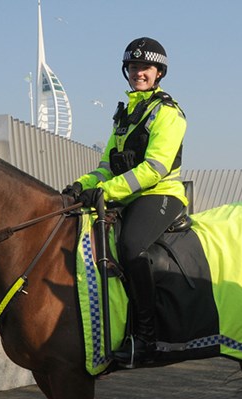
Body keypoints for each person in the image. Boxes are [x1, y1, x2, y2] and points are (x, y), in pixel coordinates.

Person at [63, 37, 188, 366]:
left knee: (132, 246)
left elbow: (155, 168)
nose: (138, 72)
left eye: (145, 67)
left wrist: (106, 193)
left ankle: (147, 336)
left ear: (158, 72)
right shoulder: (124, 115)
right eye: (133, 67)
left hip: (160, 195)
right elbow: (106, 165)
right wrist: (80, 186)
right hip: (127, 195)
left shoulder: (168, 113)